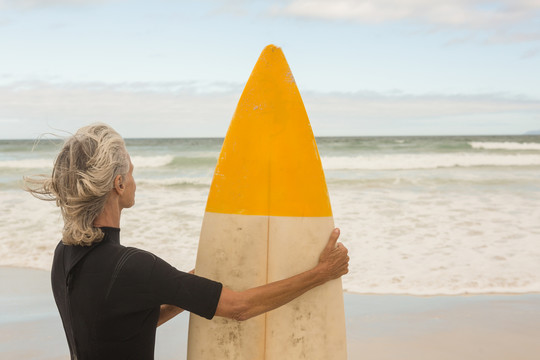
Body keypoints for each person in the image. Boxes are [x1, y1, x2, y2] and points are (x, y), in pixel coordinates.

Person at [25, 123, 349, 360]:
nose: (135, 182)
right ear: (119, 184)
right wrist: (322, 272)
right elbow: (240, 307)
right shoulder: (131, 266)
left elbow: (124, 326)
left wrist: (189, 286)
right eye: (132, 173)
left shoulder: (65, 255)